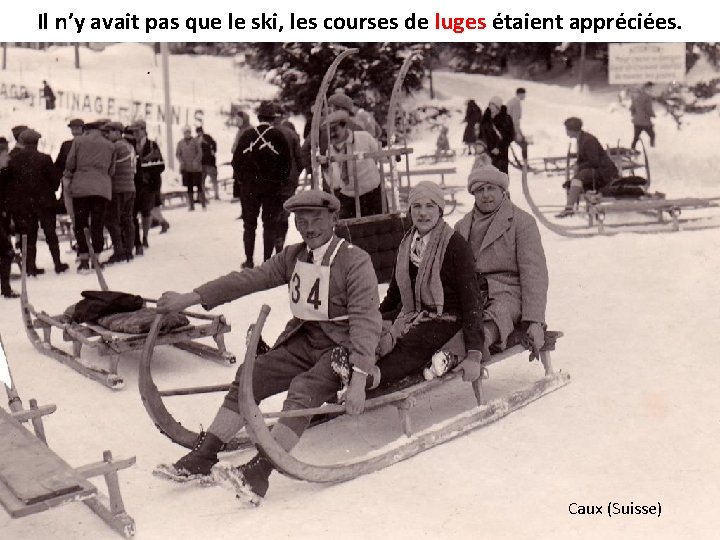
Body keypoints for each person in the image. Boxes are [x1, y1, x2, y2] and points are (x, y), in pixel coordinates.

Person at [153, 189, 382, 507]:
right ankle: (205, 454)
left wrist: (358, 379)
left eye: (316, 219)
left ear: (334, 219)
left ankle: (261, 470)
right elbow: (248, 279)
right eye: (301, 221)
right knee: (252, 374)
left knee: (304, 389)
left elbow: (366, 323)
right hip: (304, 339)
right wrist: (191, 298)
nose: (309, 228)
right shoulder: (294, 256)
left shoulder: (355, 261)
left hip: (342, 348)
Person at [334, 181, 485, 390]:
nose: (423, 213)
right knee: (371, 328)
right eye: (417, 206)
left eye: (430, 206)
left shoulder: (455, 246)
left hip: (445, 318)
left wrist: (474, 353)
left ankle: (371, 377)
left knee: (412, 343)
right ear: (410, 210)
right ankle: (349, 364)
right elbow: (394, 295)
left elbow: (471, 302)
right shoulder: (407, 244)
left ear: (440, 210)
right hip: (411, 312)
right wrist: (374, 320)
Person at [454, 162, 548, 357]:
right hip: (473, 290)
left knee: (499, 312)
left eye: (491, 188)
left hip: (508, 291)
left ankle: (481, 342)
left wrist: (535, 321)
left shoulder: (522, 222)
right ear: (473, 193)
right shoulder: (462, 226)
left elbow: (534, 274)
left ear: (502, 190)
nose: (486, 195)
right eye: (480, 190)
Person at [231, 100, 291, 268]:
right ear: (273, 118)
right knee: (269, 224)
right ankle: (267, 262)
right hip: (272, 189)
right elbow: (286, 164)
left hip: (249, 189)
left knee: (249, 225)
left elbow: (236, 162)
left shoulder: (247, 135)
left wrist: (243, 180)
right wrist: (280, 181)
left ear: (258, 117)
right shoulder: (278, 136)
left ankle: (249, 260)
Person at [1, 129, 69, 276]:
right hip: (45, 203)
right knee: (50, 233)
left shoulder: (13, 160)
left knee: (29, 235)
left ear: (23, 142)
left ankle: (31, 267)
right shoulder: (44, 158)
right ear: (37, 143)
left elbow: (8, 183)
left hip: (24, 205)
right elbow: (55, 180)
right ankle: (57, 263)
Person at [64, 120, 115, 272]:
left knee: (81, 223)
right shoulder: (110, 145)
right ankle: (96, 258)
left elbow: (70, 163)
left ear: (86, 130)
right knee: (97, 224)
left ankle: (84, 259)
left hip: (81, 188)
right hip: (101, 188)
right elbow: (112, 170)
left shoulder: (78, 141)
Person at [323, 110, 383, 219]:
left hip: (373, 195)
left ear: (344, 126)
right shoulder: (330, 151)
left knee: (379, 224)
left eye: (335, 129)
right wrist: (326, 168)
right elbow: (335, 183)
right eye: (328, 131)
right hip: (349, 198)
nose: (332, 134)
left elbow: (378, 157)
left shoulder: (364, 138)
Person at [556, 117, 619, 218]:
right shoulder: (581, 138)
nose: (566, 132)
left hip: (604, 171)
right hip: (597, 169)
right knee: (577, 179)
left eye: (567, 129)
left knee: (577, 179)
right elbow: (584, 158)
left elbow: (594, 161)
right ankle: (572, 205)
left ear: (572, 130)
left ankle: (569, 208)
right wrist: (577, 164)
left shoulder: (588, 140)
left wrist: (579, 166)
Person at [130, 119, 169, 253]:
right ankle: (138, 240)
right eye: (133, 131)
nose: (135, 133)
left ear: (143, 130)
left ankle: (145, 237)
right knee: (134, 212)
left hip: (148, 184)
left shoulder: (152, 145)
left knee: (146, 211)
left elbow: (160, 166)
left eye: (137, 131)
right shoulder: (130, 145)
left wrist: (149, 176)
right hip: (134, 184)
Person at [102, 122, 136, 264]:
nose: (107, 135)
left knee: (112, 220)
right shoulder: (129, 146)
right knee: (127, 219)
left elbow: (110, 168)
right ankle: (128, 250)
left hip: (118, 188)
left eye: (109, 132)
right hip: (130, 187)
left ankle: (119, 251)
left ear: (117, 132)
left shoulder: (116, 146)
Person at [273, 111, 304, 254]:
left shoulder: (269, 133)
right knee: (285, 213)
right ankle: (281, 240)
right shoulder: (293, 135)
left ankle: (276, 240)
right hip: (289, 181)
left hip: (273, 182)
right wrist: (295, 175)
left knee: (273, 213)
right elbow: (300, 161)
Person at [55, 119, 85, 230]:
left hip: (80, 180)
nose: (74, 130)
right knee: (72, 211)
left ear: (83, 129)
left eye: (77, 128)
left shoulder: (72, 144)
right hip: (70, 181)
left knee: (79, 211)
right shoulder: (66, 144)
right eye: (73, 128)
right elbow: (59, 164)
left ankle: (81, 234)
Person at [0, 145, 19, 298]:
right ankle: (6, 289)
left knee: (6, 252)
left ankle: (6, 288)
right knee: (6, 252)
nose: (8, 158)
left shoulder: (4, 174)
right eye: (5, 155)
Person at [478, 96, 515, 174]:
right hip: (487, 151)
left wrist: (499, 148)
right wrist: (480, 145)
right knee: (488, 174)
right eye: (490, 104)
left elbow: (510, 136)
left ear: (498, 107)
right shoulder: (485, 119)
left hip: (501, 152)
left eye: (493, 105)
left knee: (501, 173)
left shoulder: (506, 118)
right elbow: (481, 134)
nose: (491, 107)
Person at [176, 126, 205, 211]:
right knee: (189, 187)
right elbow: (178, 154)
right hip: (186, 168)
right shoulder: (180, 143)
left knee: (199, 186)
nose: (187, 134)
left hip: (196, 168)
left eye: (188, 132)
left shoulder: (195, 141)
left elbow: (200, 153)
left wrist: (196, 161)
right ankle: (191, 205)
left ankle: (203, 203)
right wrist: (181, 161)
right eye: (185, 132)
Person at [630, 82, 655, 150]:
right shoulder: (647, 97)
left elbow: (632, 108)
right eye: (651, 88)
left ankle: (632, 149)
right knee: (652, 135)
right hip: (645, 122)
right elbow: (648, 109)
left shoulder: (636, 97)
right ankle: (652, 149)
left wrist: (635, 115)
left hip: (637, 122)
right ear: (647, 88)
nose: (652, 90)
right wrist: (652, 114)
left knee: (636, 138)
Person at [196, 126, 219, 201]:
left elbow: (214, 147)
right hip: (202, 163)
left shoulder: (207, 138)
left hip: (209, 163)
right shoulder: (196, 140)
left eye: (200, 131)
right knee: (202, 181)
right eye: (198, 132)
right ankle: (203, 196)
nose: (199, 133)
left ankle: (216, 195)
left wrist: (206, 143)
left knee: (213, 180)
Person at [506, 88, 528, 160]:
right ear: (520, 94)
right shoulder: (517, 103)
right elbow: (515, 119)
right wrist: (517, 133)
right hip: (511, 128)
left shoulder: (511, 101)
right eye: (524, 94)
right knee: (524, 144)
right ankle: (525, 164)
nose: (525, 96)